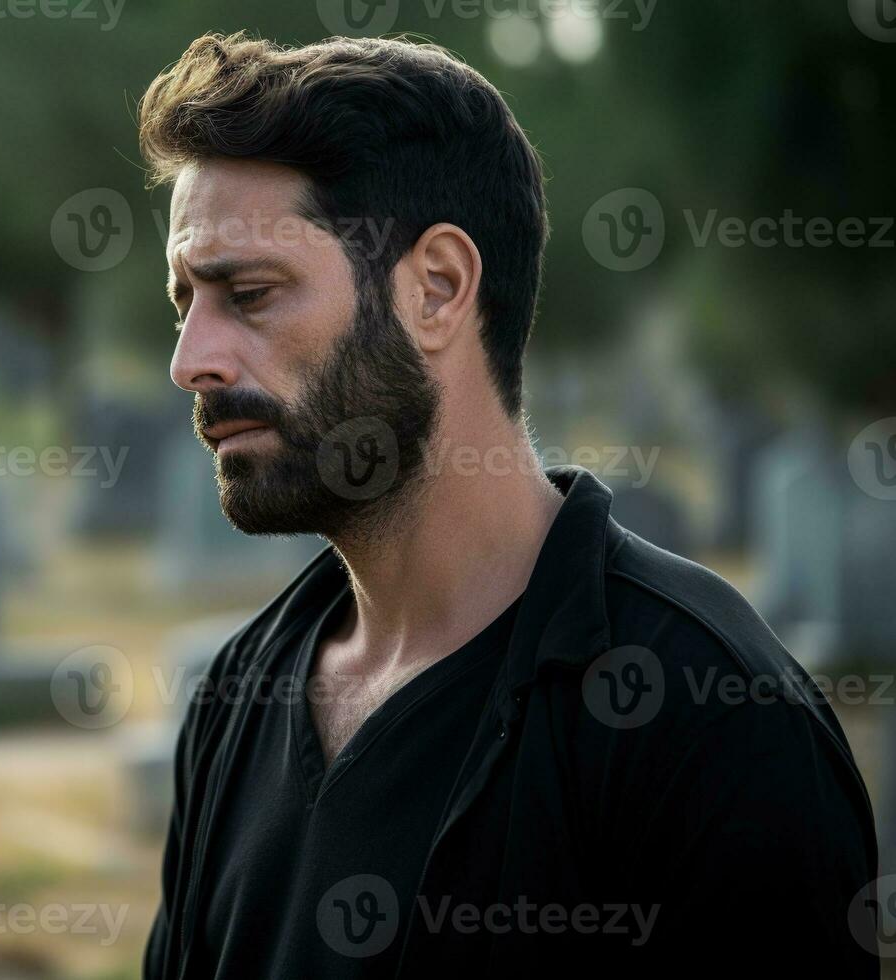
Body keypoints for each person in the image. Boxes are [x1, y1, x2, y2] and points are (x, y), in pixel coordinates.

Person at [136, 31, 878, 978]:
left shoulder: (710, 723)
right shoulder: (238, 693)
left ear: (437, 289)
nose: (190, 359)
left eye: (248, 293)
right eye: (183, 302)